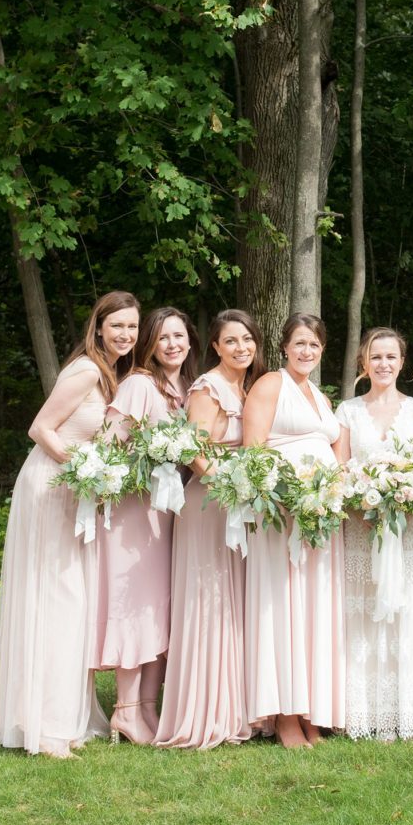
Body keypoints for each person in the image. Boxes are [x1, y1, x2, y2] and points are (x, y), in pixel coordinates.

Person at [0, 291, 140, 757]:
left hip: (76, 489)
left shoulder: (112, 375)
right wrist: (82, 466)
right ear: (98, 328)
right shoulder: (86, 370)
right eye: (118, 326)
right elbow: (40, 428)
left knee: (74, 600)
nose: (125, 335)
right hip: (52, 487)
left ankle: (62, 715)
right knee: (58, 597)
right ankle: (46, 727)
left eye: (132, 328)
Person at [335, 328, 413, 741]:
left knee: (412, 612)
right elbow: (341, 470)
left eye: (391, 357)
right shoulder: (348, 411)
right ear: (363, 362)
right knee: (368, 613)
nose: (383, 364)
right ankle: (370, 713)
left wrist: (408, 494)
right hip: (363, 527)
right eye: (375, 357)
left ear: (402, 361)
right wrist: (364, 501)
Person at [155, 309, 266, 749]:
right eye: (231, 341)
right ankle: (206, 713)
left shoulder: (248, 387)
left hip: (238, 506)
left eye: (247, 339)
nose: (241, 347)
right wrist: (231, 484)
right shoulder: (208, 387)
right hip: (210, 503)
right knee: (209, 602)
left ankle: (238, 707)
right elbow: (194, 451)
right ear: (216, 347)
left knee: (235, 602)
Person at [93, 306, 197, 744]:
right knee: (135, 604)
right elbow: (107, 443)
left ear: (191, 340)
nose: (172, 344)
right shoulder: (138, 384)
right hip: (136, 515)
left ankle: (147, 709)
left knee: (161, 608)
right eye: (163, 337)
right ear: (150, 344)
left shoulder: (190, 389)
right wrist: (142, 464)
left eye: (179, 335)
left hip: (169, 514)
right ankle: (126, 709)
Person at [242, 313, 345, 749]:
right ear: (285, 347)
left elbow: (337, 449)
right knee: (283, 607)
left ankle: (310, 712)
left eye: (315, 345)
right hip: (282, 515)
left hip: (319, 517)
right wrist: (288, 493)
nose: (307, 351)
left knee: (312, 611)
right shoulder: (271, 384)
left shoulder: (319, 396)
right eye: (300, 343)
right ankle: (283, 714)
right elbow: (253, 450)